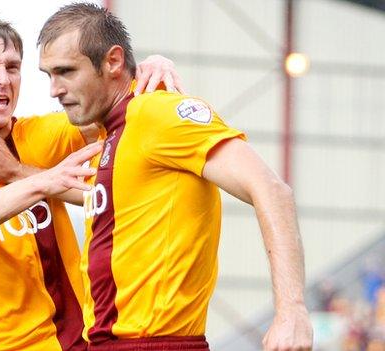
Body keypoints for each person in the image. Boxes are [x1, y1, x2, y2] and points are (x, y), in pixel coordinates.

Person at [0, 11, 182, 351]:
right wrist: (44, 181)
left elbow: (123, 102)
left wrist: (149, 68)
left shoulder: (40, 136)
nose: (3, 78)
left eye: (12, 67)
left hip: (62, 343)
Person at [34, 3, 313, 351]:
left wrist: (291, 311)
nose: (54, 89)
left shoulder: (160, 114)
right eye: (49, 75)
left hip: (156, 343)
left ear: (113, 62)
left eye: (66, 71)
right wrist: (20, 175)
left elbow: (271, 189)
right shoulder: (111, 133)